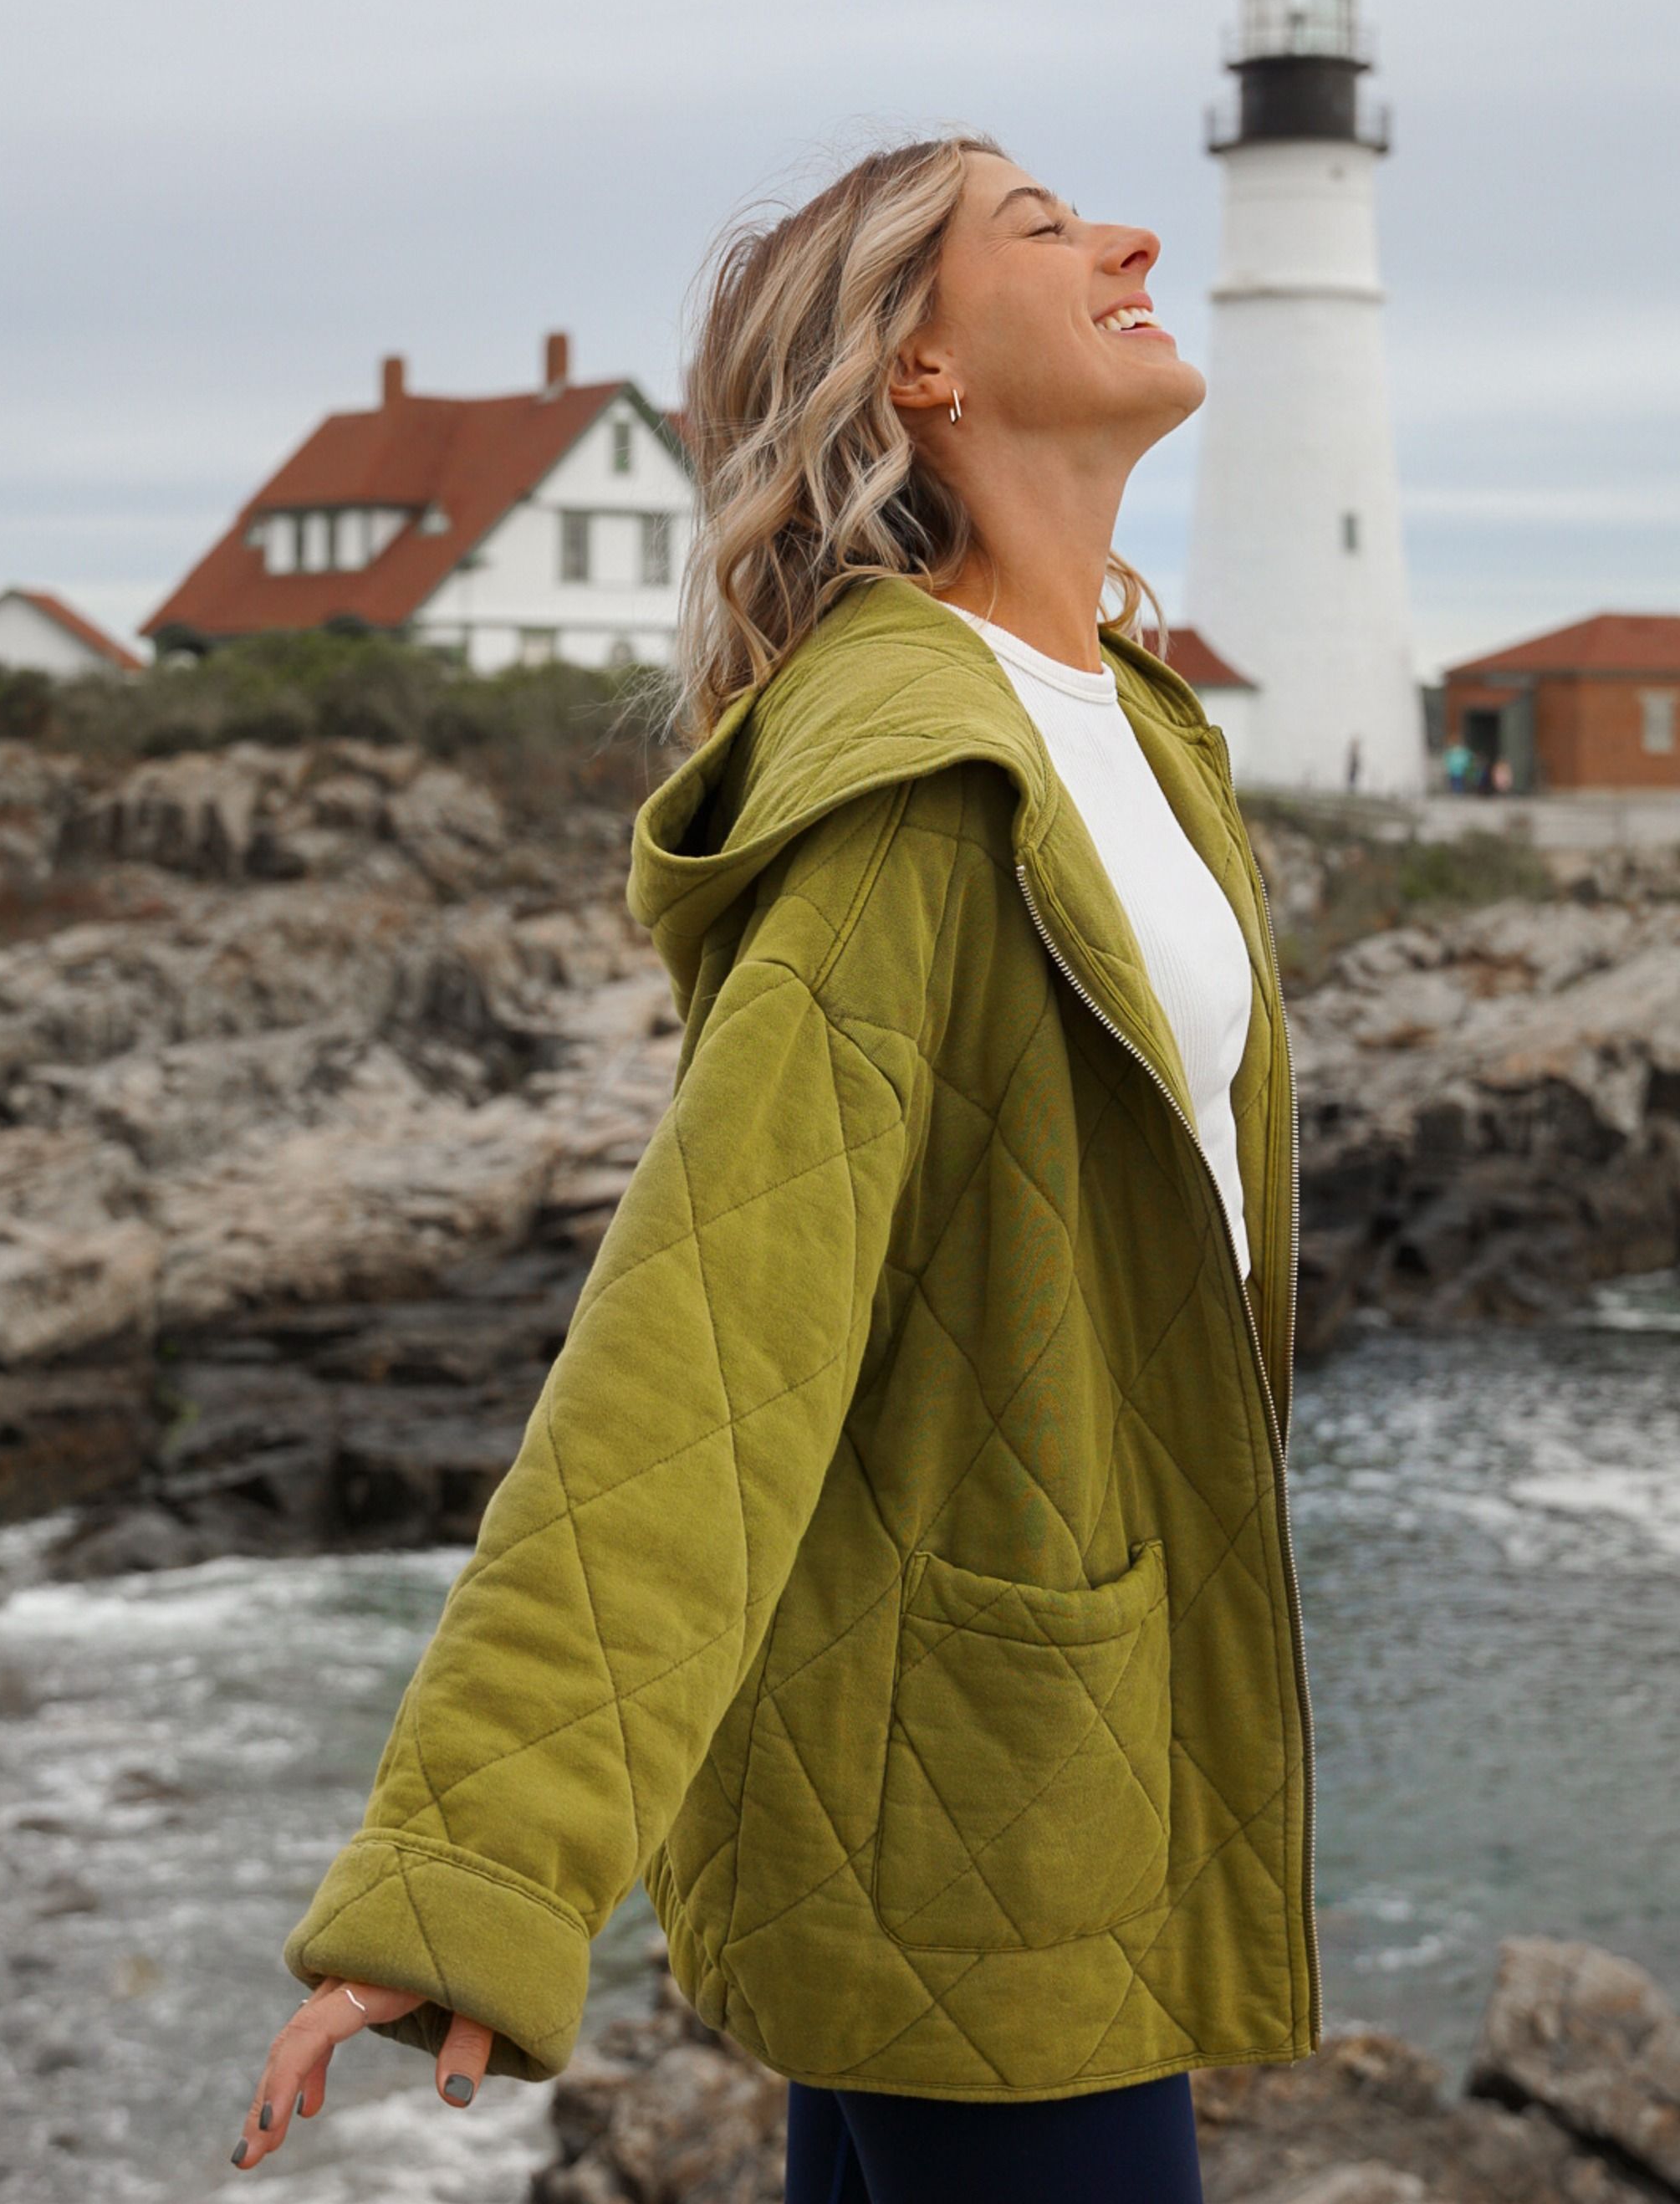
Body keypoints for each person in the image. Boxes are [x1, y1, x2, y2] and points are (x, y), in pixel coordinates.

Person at [232, 136, 1317, 2201]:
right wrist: (472, 1864)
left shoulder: (1130, 723)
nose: (1135, 235)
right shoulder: (919, 780)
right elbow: (704, 1349)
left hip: (982, 1746)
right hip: (985, 1808)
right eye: (1043, 226)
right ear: (917, 366)